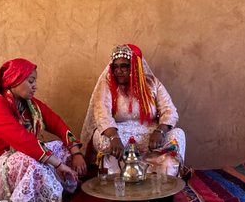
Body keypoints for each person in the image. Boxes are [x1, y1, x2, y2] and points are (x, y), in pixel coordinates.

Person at [0, 58, 87, 202]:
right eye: (31, 81)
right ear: (14, 79)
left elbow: (56, 123)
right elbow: (23, 141)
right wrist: (58, 164)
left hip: (21, 156)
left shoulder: (30, 104)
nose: (35, 86)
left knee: (60, 148)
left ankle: (49, 184)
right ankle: (41, 189)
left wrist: (75, 152)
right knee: (28, 160)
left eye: (35, 81)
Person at [80, 44, 187, 178]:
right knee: (100, 137)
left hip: (149, 136)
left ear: (136, 67)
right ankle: (117, 182)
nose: (118, 71)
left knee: (178, 134)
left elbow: (170, 111)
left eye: (124, 66)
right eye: (115, 67)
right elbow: (102, 114)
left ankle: (163, 181)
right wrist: (114, 137)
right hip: (119, 135)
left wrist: (160, 131)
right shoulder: (107, 84)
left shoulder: (152, 83)